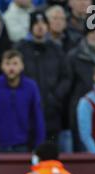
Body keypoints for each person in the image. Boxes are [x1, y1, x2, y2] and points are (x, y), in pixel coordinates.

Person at [16, 11, 71, 144]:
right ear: (30, 27)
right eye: (36, 24)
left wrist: (56, 97)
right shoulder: (20, 49)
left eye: (43, 23)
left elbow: (66, 77)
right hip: (26, 110)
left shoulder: (56, 50)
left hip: (52, 112)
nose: (40, 27)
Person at [0, 49, 45, 152]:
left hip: (23, 145)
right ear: (1, 66)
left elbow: (37, 118)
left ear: (22, 66)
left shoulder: (31, 87)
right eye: (7, 64)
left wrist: (39, 147)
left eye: (15, 63)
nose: (11, 67)